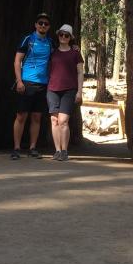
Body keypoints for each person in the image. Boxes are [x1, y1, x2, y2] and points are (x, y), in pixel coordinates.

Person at [11, 13, 54, 159]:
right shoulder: (28, 39)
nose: (43, 25)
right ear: (35, 25)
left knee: (37, 117)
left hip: (42, 84)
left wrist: (74, 46)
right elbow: (17, 61)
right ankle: (16, 148)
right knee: (21, 116)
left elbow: (58, 56)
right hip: (26, 82)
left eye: (46, 24)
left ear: (49, 27)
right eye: (40, 23)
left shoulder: (50, 42)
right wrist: (19, 81)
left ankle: (32, 148)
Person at [47, 24, 84, 161]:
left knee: (63, 121)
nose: (63, 37)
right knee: (54, 120)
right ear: (58, 35)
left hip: (69, 89)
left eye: (66, 35)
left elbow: (80, 73)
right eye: (61, 34)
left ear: (70, 38)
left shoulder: (75, 53)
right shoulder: (52, 52)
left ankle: (64, 150)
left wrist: (79, 92)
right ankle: (57, 150)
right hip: (52, 89)